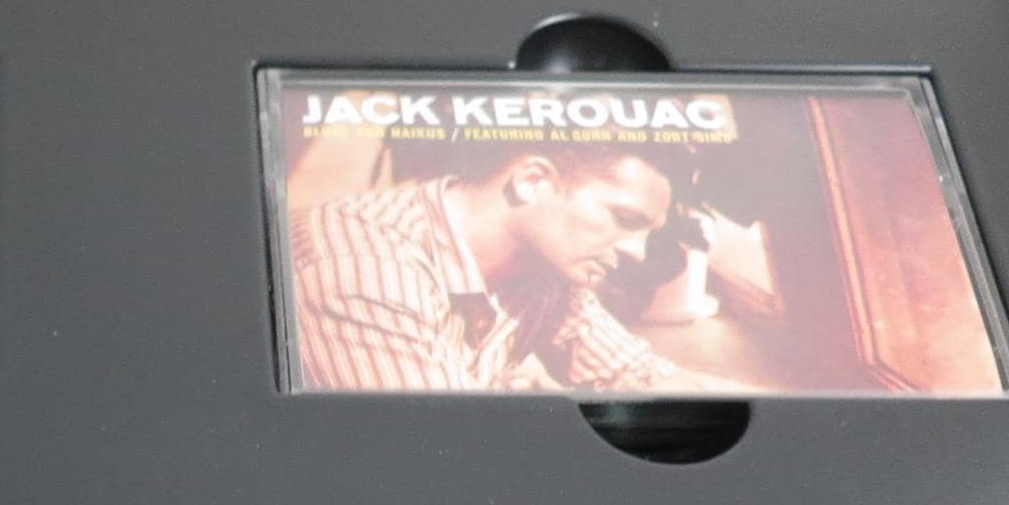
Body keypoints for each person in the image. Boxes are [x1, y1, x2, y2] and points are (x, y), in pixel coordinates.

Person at [289, 140, 741, 395]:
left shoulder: (547, 268)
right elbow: (448, 460)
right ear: (533, 181)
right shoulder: (364, 270)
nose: (638, 252)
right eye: (624, 219)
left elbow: (643, 376)